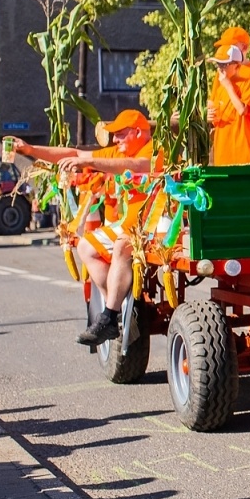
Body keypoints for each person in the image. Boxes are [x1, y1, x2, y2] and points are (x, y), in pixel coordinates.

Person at [14, 110, 157, 346]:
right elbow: (74, 154)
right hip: (128, 225)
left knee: (122, 246)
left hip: (154, 226)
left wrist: (89, 162)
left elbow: (136, 166)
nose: (115, 140)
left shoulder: (154, 150)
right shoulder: (118, 151)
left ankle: (108, 316)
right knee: (86, 247)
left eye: (121, 134)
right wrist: (30, 150)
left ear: (139, 133)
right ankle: (116, 308)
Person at [208, 36, 250, 165]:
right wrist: (208, 115)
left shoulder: (248, 84)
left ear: (237, 66)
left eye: (224, 64)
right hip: (223, 148)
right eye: (218, 64)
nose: (220, 68)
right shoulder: (220, 86)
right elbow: (215, 111)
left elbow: (242, 110)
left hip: (243, 148)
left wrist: (228, 86)